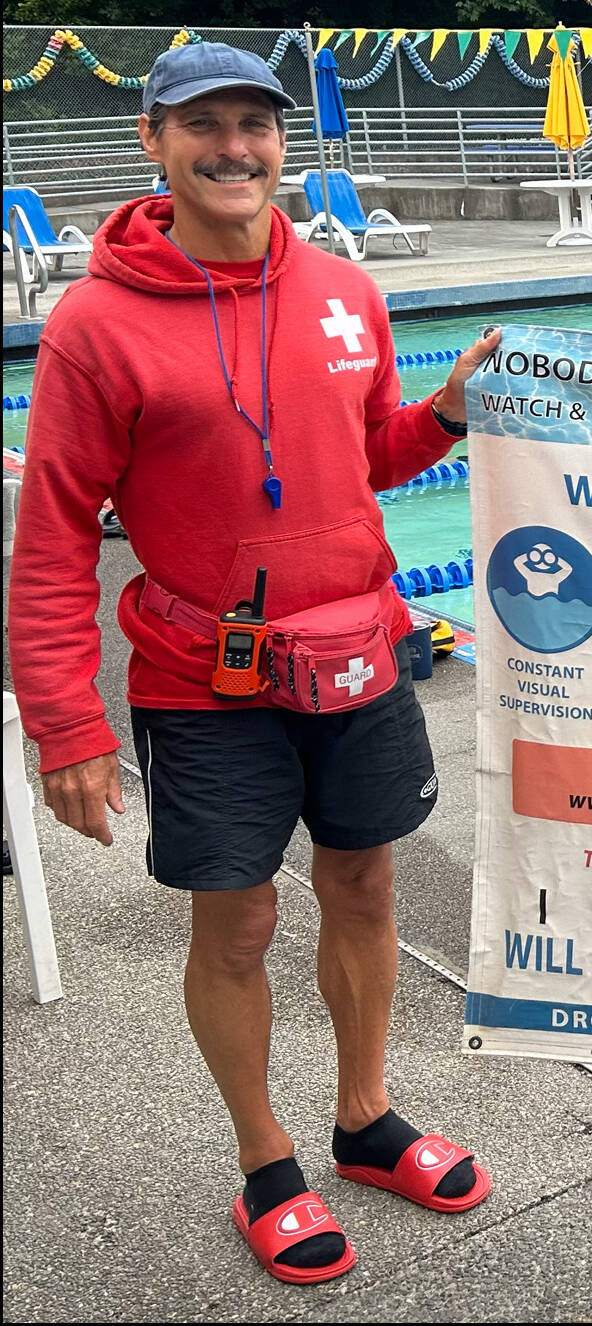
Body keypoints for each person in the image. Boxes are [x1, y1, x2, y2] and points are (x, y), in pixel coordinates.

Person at [7, 43, 504, 1286]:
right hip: (204, 681)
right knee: (236, 925)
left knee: (369, 891)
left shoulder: (346, 291)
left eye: (255, 126)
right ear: (154, 142)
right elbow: (58, 531)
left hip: (360, 658)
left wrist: (442, 414)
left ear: (283, 144)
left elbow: (368, 457)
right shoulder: (95, 327)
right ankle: (265, 1159)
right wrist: (63, 721)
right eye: (206, 127)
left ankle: (366, 1120)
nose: (235, 149)